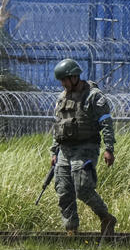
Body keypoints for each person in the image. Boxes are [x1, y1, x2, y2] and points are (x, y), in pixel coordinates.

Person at [50, 58, 117, 235]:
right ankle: (71, 230)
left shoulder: (93, 96)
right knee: (64, 190)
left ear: (75, 77)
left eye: (65, 79)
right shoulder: (61, 97)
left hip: (86, 148)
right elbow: (59, 125)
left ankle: (106, 217)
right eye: (61, 81)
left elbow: (106, 123)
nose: (63, 84)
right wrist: (54, 151)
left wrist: (109, 148)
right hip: (64, 150)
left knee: (83, 188)